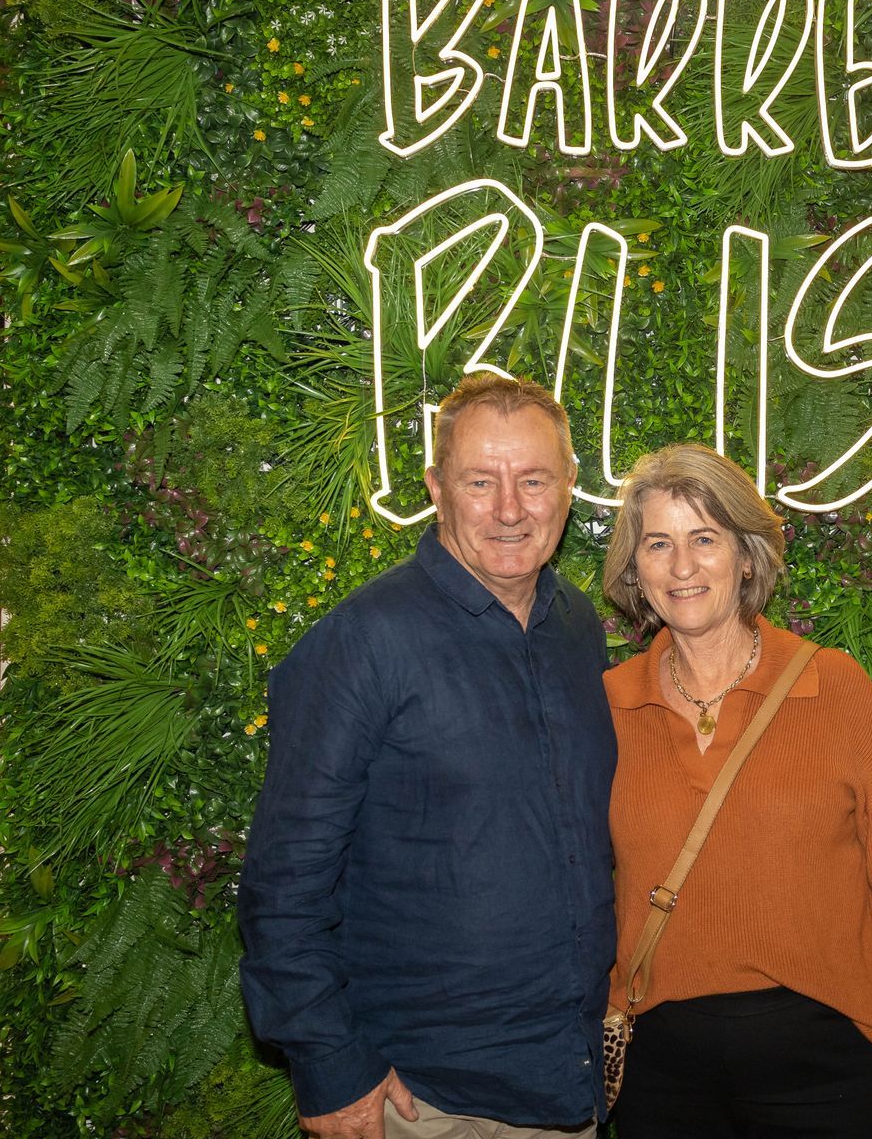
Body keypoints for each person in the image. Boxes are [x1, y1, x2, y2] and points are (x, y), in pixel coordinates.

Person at [239, 373, 616, 1139]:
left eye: (534, 480)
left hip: (565, 1081)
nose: (510, 509)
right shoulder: (361, 643)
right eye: (482, 481)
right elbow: (285, 885)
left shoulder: (578, 629)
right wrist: (330, 1064)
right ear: (436, 488)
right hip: (426, 1101)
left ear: (570, 488)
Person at [599, 443, 872, 1139]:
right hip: (664, 1078)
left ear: (746, 556)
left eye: (704, 538)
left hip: (831, 1068)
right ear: (634, 569)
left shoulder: (832, 686)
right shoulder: (609, 708)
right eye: (658, 543)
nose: (682, 566)